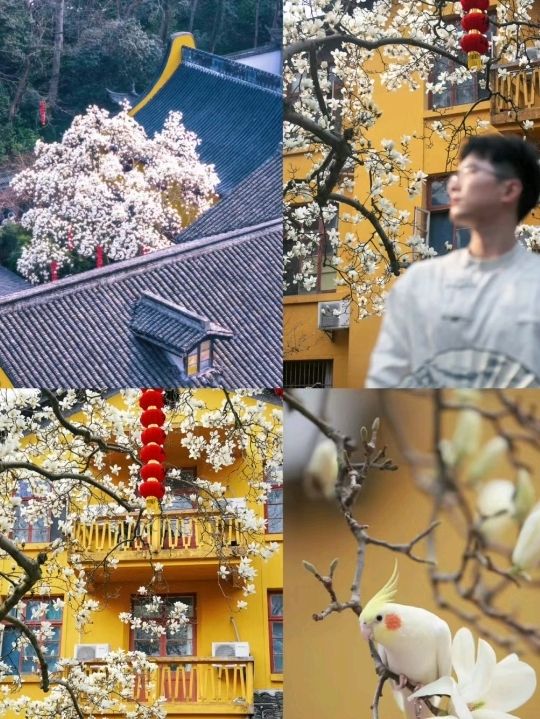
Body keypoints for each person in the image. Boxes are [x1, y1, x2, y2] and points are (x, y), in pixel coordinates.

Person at [366, 134, 540, 388]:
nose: (452, 185)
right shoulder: (419, 283)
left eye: (470, 171)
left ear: (509, 189)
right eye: (454, 176)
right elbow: (385, 383)